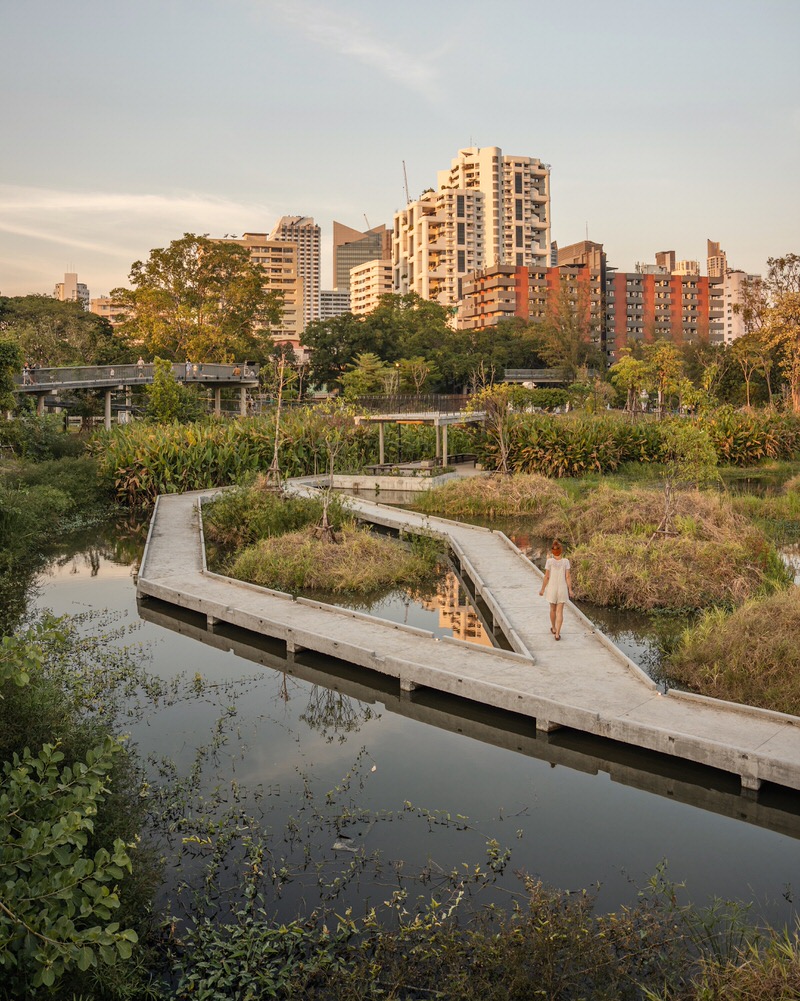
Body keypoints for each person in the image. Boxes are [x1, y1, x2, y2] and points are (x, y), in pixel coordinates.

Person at [538, 539, 573, 641]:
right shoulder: (566, 562)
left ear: (552, 551)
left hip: (552, 588)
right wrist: (570, 589)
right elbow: (568, 577)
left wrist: (542, 589)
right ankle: (557, 634)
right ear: (561, 550)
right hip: (562, 588)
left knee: (552, 609)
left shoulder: (549, 562)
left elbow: (547, 577)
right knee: (560, 612)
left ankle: (553, 627)